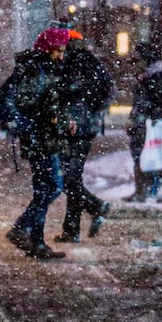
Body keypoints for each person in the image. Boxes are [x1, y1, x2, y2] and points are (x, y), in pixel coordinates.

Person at [3, 28, 71, 260]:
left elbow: (47, 105)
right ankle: (25, 231)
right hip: (40, 139)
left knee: (47, 187)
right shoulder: (36, 71)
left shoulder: (42, 68)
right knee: (50, 187)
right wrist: (46, 122)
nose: (62, 56)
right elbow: (34, 106)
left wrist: (63, 121)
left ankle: (35, 240)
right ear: (48, 49)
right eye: (58, 51)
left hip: (44, 137)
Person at [55, 33, 113, 242]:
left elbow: (63, 94)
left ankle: (92, 210)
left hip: (73, 128)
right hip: (86, 128)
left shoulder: (69, 66)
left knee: (67, 178)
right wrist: (95, 114)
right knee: (71, 177)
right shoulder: (92, 63)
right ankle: (72, 228)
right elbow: (108, 90)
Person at [125, 42, 162, 202]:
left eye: (137, 59)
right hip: (145, 122)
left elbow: (157, 101)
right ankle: (143, 189)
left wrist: (148, 117)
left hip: (150, 123)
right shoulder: (150, 76)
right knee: (145, 155)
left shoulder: (155, 77)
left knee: (154, 155)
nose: (134, 64)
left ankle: (147, 189)